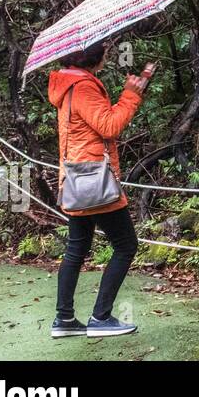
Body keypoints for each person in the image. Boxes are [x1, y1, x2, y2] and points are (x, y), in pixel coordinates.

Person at [47, 41, 154, 339]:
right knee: (125, 245)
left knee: (76, 248)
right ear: (95, 57)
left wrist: (135, 89)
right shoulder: (82, 86)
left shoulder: (68, 82)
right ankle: (100, 318)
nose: (108, 53)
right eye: (105, 50)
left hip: (76, 178)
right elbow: (109, 126)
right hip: (95, 180)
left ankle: (64, 320)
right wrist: (131, 95)